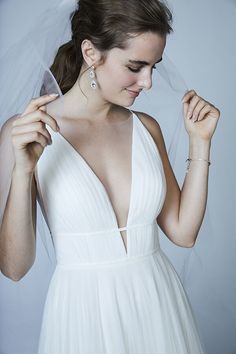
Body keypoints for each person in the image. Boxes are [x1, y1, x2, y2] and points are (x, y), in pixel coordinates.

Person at [0, 0, 220, 353]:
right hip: (83, 314)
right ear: (91, 52)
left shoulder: (147, 128)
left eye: (153, 66)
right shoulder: (26, 132)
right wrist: (24, 169)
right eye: (135, 66)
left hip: (158, 303)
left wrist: (201, 142)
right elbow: (14, 268)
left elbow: (183, 232)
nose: (147, 82)